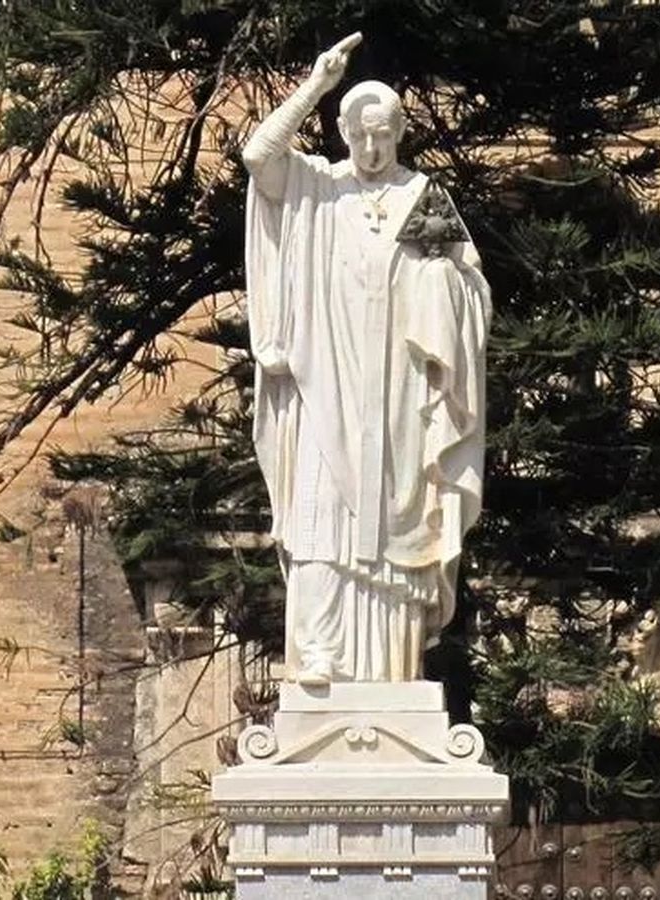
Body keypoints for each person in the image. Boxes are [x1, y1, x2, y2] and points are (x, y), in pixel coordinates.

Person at [241, 33, 491, 685]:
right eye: (361, 135)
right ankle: (318, 650)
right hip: (326, 380)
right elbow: (258, 154)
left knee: (400, 520)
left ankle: (391, 669)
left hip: (402, 389)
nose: (373, 148)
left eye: (384, 135)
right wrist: (315, 86)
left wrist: (441, 287)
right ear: (344, 132)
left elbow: (470, 289)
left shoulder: (423, 197)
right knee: (319, 513)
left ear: (400, 133)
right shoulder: (317, 188)